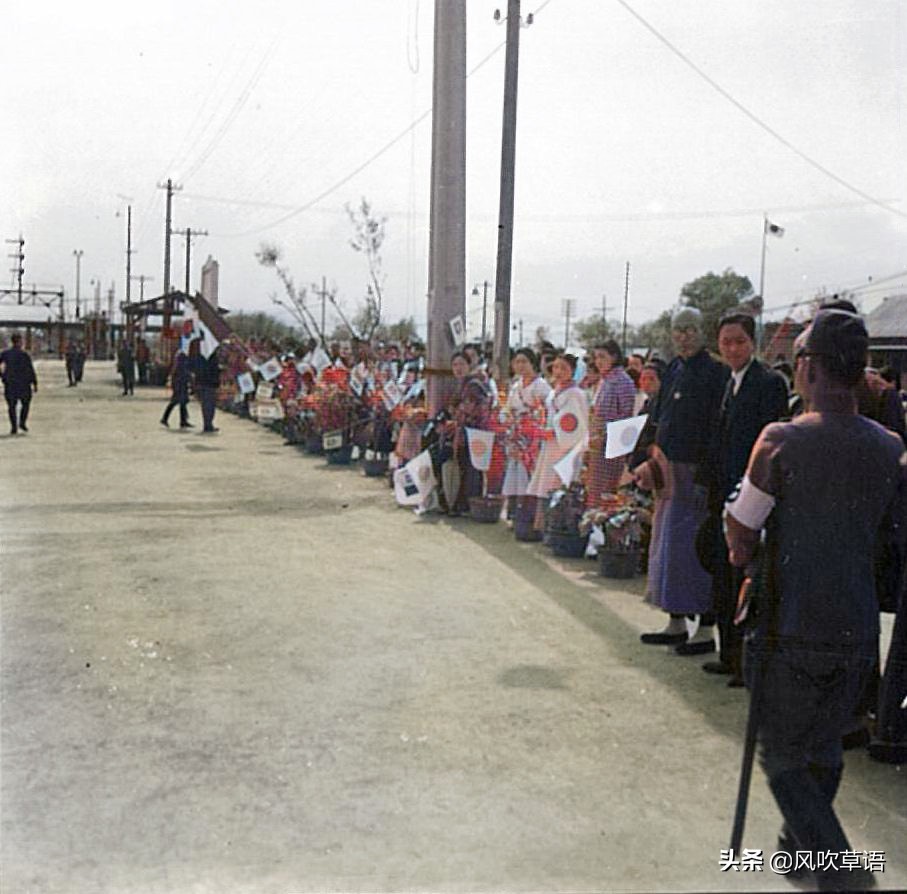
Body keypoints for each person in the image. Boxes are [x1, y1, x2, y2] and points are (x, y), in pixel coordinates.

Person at [724, 305, 906, 890]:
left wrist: (746, 551)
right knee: (824, 745)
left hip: (789, 623)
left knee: (781, 757)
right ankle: (799, 846)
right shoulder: (890, 448)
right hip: (855, 625)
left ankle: (844, 873)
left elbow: (740, 534)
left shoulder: (780, 440)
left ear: (807, 368)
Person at [633, 307, 727, 650]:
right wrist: (645, 458)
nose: (684, 336)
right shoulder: (673, 368)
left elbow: (717, 428)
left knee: (696, 550)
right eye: (678, 330)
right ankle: (675, 622)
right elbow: (657, 418)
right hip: (667, 474)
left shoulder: (716, 372)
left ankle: (704, 629)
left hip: (698, 474)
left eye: (690, 329)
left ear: (703, 331)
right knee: (668, 548)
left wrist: (706, 474)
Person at [701, 312, 788, 684]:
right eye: (726, 342)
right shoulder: (728, 382)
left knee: (746, 581)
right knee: (723, 576)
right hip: (725, 494)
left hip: (753, 499)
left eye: (739, 341)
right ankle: (728, 653)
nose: (732, 348)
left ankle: (746, 661)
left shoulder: (769, 383)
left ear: (752, 343)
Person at [526, 352, 589, 530]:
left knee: (560, 484)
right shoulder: (554, 391)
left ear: (573, 371)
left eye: (564, 368)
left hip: (565, 446)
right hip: (551, 444)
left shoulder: (576, 394)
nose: (559, 371)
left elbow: (577, 424)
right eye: (556, 367)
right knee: (545, 483)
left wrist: (554, 432)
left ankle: (558, 527)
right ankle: (542, 526)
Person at [501, 347, 551, 519]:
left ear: (533, 363)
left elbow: (546, 411)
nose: (520, 365)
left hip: (533, 439)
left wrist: (530, 419)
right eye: (517, 362)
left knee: (530, 473)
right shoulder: (516, 386)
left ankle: (528, 515)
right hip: (516, 436)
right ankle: (515, 512)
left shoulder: (541, 386)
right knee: (515, 472)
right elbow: (508, 408)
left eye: (524, 361)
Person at [586, 340, 636, 509]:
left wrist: (605, 434)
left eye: (602, 357)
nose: (598, 361)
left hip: (613, 445)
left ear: (614, 357)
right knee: (594, 489)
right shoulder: (605, 380)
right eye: (596, 357)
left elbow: (626, 418)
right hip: (597, 443)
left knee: (607, 492)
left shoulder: (623, 382)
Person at [0, 333, 38, 435]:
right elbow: (30, 369)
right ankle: (22, 422)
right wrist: (34, 383)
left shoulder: (5, 354)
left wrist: (2, 376)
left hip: (10, 383)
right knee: (25, 404)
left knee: (12, 406)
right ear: (19, 342)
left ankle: (14, 427)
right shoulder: (24, 355)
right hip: (23, 383)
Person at [191, 338, 221, 433]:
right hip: (209, 383)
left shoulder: (199, 357)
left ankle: (208, 424)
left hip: (202, 382)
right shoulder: (211, 357)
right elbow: (213, 370)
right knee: (209, 405)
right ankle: (208, 425)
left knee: (205, 405)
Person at [160, 351, 193, 428]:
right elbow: (184, 376)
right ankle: (165, 418)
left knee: (182, 403)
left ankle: (183, 421)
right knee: (176, 402)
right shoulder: (181, 367)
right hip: (180, 387)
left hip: (180, 387)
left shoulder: (177, 367)